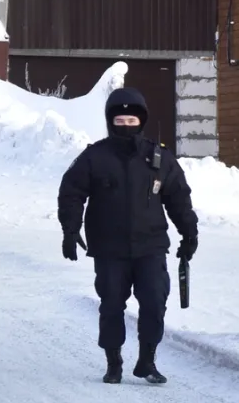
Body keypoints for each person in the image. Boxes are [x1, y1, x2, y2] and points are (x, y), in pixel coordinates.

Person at [57, 87, 198, 386]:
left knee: (154, 303)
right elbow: (71, 193)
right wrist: (70, 229)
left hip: (151, 246)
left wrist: (189, 234)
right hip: (110, 248)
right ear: (110, 121)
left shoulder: (159, 158)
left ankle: (147, 360)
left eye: (131, 120)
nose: (126, 126)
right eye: (119, 120)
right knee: (111, 305)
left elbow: (179, 199)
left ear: (142, 120)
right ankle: (113, 362)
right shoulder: (94, 156)